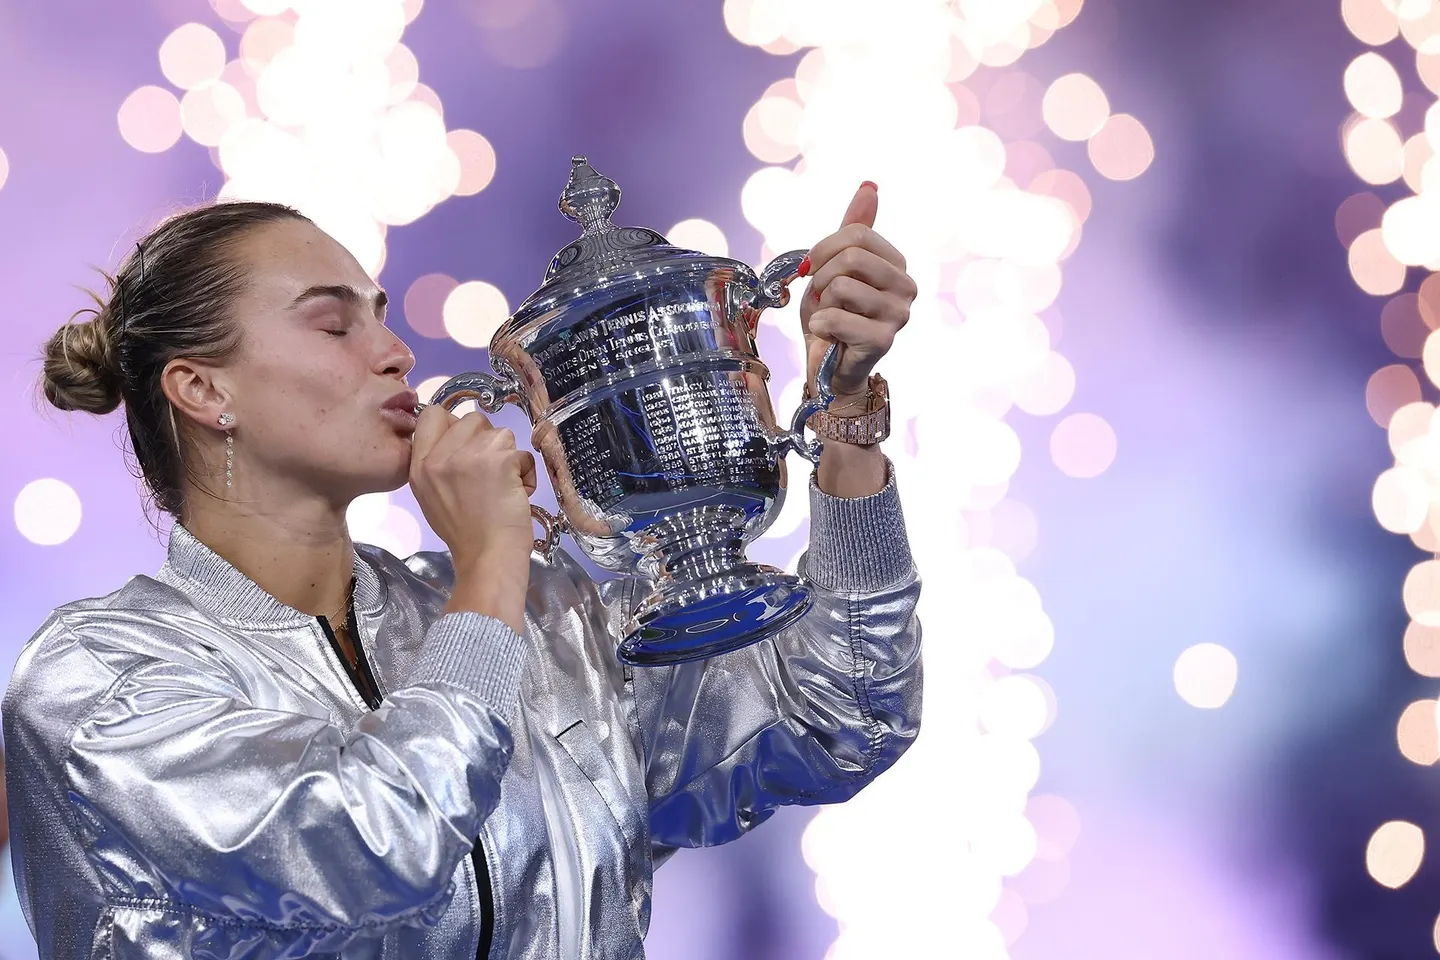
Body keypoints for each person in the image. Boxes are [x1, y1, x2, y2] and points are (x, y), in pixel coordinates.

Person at [5, 182, 922, 960]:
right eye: (333, 324)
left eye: (381, 316)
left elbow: (841, 714)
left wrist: (843, 412)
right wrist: (489, 565)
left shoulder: (542, 615)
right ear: (203, 389)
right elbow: (377, 843)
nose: (395, 352)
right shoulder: (97, 679)